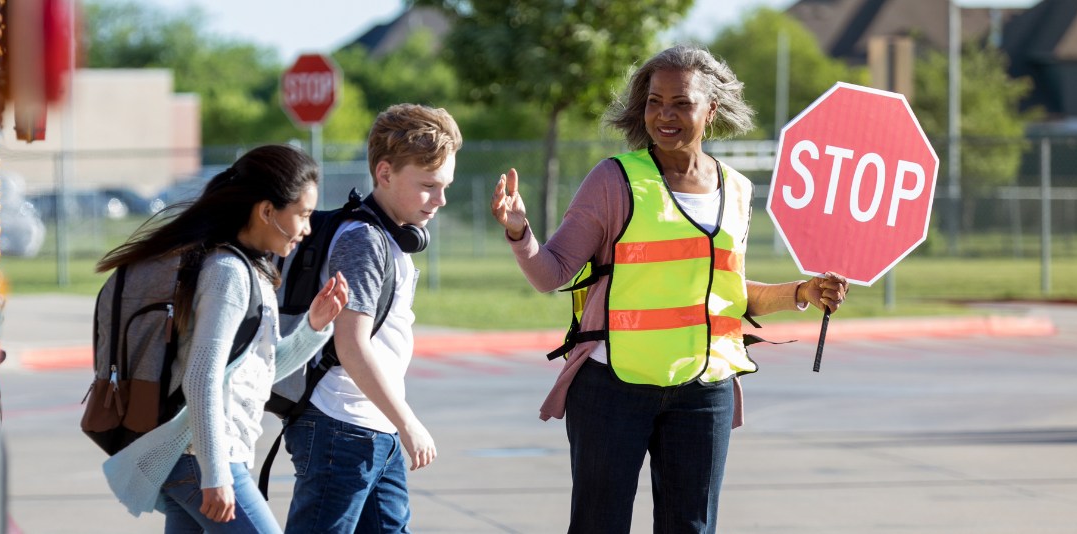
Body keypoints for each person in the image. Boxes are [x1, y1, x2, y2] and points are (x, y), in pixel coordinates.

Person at [489, 45, 850, 533]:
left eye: (681, 103)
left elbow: (727, 294)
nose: (665, 115)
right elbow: (549, 273)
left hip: (704, 390)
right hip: (614, 385)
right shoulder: (614, 180)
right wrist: (519, 232)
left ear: (711, 110)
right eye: (655, 102)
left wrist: (803, 291)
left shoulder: (737, 189)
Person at [100, 144, 351, 534]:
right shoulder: (228, 273)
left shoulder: (254, 270)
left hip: (200, 456)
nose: (307, 228)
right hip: (200, 455)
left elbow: (256, 372)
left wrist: (313, 328)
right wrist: (215, 475)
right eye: (302, 214)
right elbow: (203, 378)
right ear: (267, 211)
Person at [284, 104, 462, 534]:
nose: (440, 200)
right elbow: (352, 345)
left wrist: (394, 423)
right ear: (384, 174)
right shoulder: (363, 241)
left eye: (446, 186)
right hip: (341, 427)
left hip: (371, 427)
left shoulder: (390, 238)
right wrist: (408, 422)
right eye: (428, 186)